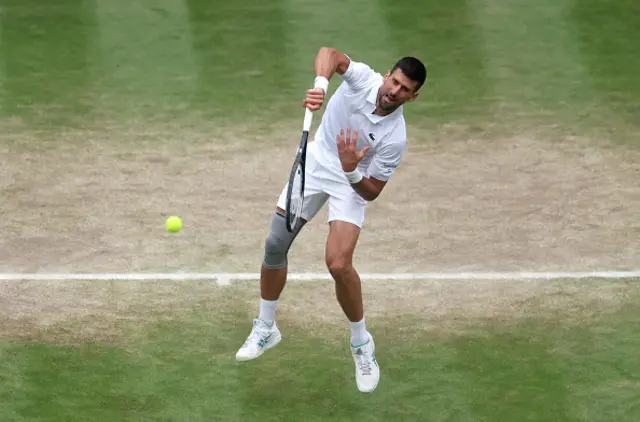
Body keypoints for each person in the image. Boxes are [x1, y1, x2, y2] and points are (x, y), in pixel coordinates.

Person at [235, 47, 427, 393]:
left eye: (404, 90)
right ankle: (266, 328)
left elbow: (371, 192)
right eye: (394, 82)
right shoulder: (362, 80)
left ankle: (361, 343)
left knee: (338, 264)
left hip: (351, 185)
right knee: (275, 244)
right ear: (387, 75)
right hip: (317, 163)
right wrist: (322, 85)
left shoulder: (394, 138)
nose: (394, 91)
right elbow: (330, 54)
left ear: (413, 97)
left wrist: (352, 170)